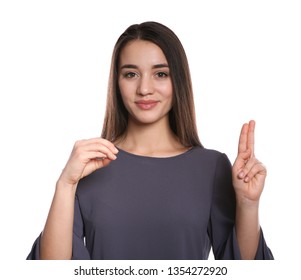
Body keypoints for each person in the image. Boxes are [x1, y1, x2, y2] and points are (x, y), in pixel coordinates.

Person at [27, 21, 273, 260]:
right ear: (117, 82)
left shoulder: (211, 167)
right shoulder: (90, 165)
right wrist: (65, 184)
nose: (144, 88)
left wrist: (248, 203)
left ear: (178, 80)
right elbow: (51, 271)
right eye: (131, 74)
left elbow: (242, 267)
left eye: (160, 74)